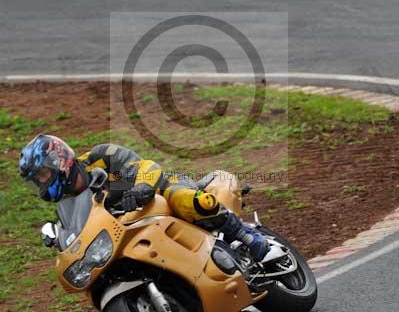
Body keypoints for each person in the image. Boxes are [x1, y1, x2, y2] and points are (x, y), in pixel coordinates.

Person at [19, 134, 270, 262]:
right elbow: (75, 227)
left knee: (186, 199)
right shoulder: (67, 202)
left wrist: (139, 188)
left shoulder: (100, 157)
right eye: (36, 180)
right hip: (132, 225)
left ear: (58, 161)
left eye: (42, 174)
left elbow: (145, 166)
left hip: (160, 190)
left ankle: (246, 234)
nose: (41, 183)